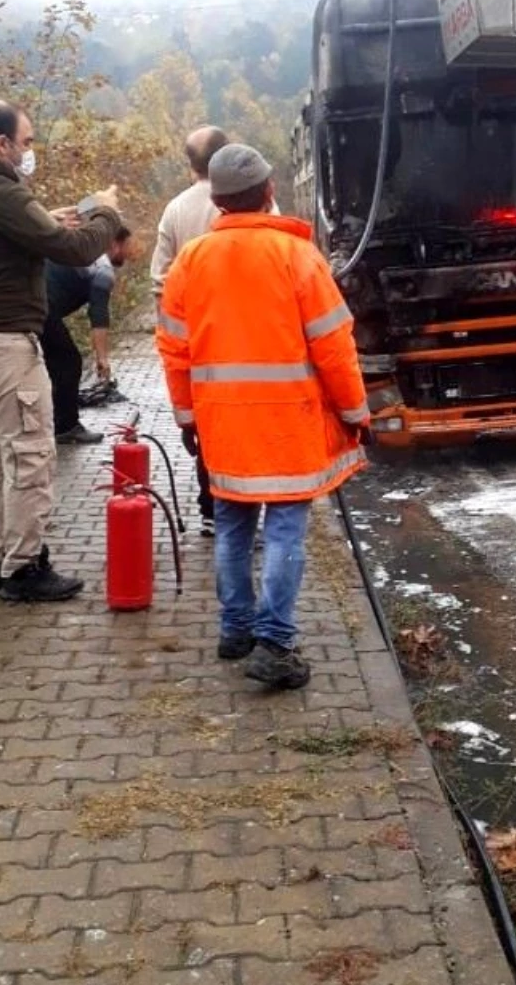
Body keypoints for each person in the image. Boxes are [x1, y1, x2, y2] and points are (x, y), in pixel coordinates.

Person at [156, 143, 369, 691]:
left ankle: (236, 629)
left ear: (218, 199)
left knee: (231, 523)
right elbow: (334, 347)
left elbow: (173, 349)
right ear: (269, 192)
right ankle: (275, 641)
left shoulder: (190, 262)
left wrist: (185, 418)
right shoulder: (297, 258)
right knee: (283, 527)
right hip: (288, 425)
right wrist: (354, 411)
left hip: (222, 424)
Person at [0, 102, 124, 602]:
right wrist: (104, 210)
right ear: (1, 145)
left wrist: (45, 219)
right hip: (2, 348)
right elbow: (78, 250)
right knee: (31, 457)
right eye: (28, 141)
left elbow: (5, 234)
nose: (30, 150)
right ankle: (25, 568)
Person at [151, 127, 229, 536]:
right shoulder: (251, 199)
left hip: (196, 340)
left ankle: (211, 509)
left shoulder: (176, 210)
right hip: (246, 336)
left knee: (206, 426)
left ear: (190, 165)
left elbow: (160, 280)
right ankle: (245, 512)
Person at [41, 222, 138, 445]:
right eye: (126, 245)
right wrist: (102, 358)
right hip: (41, 308)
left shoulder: (84, 254)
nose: (128, 252)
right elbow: (99, 317)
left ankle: (47, 422)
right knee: (69, 362)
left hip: (25, 302)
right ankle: (66, 427)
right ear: (113, 244)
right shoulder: (102, 268)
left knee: (49, 365)